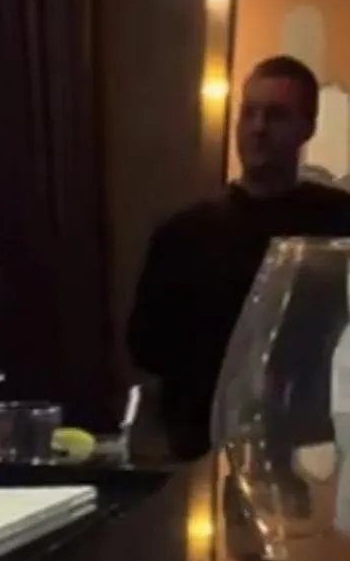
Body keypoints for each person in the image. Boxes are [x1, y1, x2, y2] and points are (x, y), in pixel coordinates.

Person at [128, 55, 350, 459]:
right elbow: (146, 349)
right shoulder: (184, 234)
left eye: (277, 116)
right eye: (250, 113)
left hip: (317, 447)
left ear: (308, 128)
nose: (258, 128)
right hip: (202, 444)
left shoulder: (339, 224)